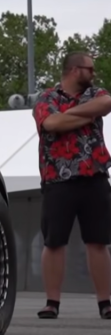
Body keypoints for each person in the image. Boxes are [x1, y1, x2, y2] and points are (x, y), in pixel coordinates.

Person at [32, 51, 111, 320]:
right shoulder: (47, 98)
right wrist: (85, 117)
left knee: (98, 240)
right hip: (58, 179)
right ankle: (52, 302)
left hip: (95, 176)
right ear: (75, 70)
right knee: (54, 241)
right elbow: (50, 123)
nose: (94, 73)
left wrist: (69, 116)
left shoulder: (97, 93)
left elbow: (106, 105)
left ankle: (105, 302)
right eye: (90, 69)